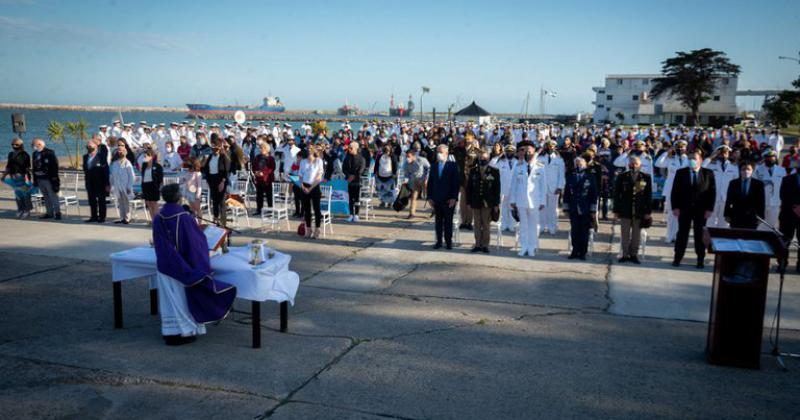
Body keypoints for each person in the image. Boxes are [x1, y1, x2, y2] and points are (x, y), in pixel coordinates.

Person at [152, 183, 236, 346]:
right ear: (178, 197)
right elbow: (196, 243)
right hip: (181, 267)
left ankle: (169, 332)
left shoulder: (159, 217)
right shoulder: (183, 218)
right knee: (181, 302)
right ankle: (183, 333)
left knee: (170, 302)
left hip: (165, 265)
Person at [671, 152, 716, 268]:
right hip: (684, 209)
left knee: (699, 235)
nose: (692, 160)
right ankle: (677, 258)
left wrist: (709, 209)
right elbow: (675, 191)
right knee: (682, 234)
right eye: (690, 158)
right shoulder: (681, 173)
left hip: (701, 211)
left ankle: (700, 260)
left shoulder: (708, 173)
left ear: (700, 160)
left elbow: (712, 193)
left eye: (694, 158)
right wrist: (675, 207)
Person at [509, 141, 547, 257]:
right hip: (521, 200)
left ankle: (532, 247)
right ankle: (524, 246)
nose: (528, 154)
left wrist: (542, 201)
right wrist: (512, 200)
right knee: (523, 225)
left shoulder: (540, 167)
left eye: (530, 152)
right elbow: (513, 184)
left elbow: (543, 186)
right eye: (526, 152)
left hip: (535, 201)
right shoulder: (518, 166)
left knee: (533, 225)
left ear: (534, 152)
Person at [613, 156, 652, 264]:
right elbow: (617, 194)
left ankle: (634, 254)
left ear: (640, 165)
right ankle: (625, 255)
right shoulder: (622, 177)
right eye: (631, 163)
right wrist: (616, 210)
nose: (633, 165)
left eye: (635, 164)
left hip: (639, 211)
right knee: (624, 235)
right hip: (625, 210)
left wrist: (648, 212)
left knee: (636, 236)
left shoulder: (645, 177)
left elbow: (648, 196)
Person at [655, 140, 690, 243]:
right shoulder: (670, 159)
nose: (680, 150)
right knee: (671, 214)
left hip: (684, 190)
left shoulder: (687, 160)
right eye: (678, 148)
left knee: (682, 215)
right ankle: (670, 236)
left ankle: (679, 236)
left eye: (682, 148)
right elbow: (658, 164)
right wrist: (667, 153)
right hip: (671, 189)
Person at [466, 150, 500, 253]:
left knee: (485, 224)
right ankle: (477, 244)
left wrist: (496, 204)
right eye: (480, 158)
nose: (482, 160)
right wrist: (468, 202)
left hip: (487, 203)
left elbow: (497, 189)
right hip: (475, 202)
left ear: (488, 159)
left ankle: (485, 245)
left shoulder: (494, 171)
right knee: (476, 224)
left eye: (484, 159)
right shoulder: (473, 171)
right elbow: (469, 189)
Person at [563, 157, 598, 260]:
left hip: (585, 208)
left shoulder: (590, 177)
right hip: (574, 208)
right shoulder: (570, 176)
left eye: (581, 164)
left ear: (585, 165)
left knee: (584, 232)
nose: (579, 166)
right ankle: (574, 251)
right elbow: (567, 193)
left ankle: (583, 252)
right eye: (577, 164)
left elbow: (594, 195)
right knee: (574, 231)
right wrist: (566, 208)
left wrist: (593, 210)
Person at [427, 144, 461, 250]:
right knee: (438, 222)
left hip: (448, 199)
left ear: (446, 153)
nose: (438, 154)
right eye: (437, 152)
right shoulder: (434, 166)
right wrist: (429, 197)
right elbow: (430, 183)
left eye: (441, 152)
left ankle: (448, 241)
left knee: (448, 222)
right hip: (437, 199)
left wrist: (454, 198)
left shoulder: (453, 166)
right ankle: (439, 241)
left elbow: (456, 183)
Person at [702, 145, 738, 228]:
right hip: (713, 198)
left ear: (729, 154)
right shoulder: (711, 166)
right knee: (710, 220)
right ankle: (709, 240)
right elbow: (702, 168)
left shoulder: (733, 167)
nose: (723, 155)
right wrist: (711, 157)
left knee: (724, 222)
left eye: (726, 153)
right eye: (721, 153)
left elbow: (736, 184)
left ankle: (722, 240)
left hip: (726, 199)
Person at [724, 162, 765, 229]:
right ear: (740, 170)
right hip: (736, 216)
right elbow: (729, 199)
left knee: (749, 237)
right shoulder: (733, 183)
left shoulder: (758, 184)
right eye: (743, 169)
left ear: (752, 171)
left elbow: (761, 202)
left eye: (748, 169)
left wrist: (761, 216)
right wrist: (727, 215)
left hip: (752, 217)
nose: (746, 171)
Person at [537, 140, 565, 235]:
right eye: (548, 146)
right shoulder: (540, 158)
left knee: (553, 209)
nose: (550, 148)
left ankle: (552, 227)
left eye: (552, 147)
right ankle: (541, 226)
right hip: (542, 186)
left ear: (555, 148)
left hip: (554, 187)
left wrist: (560, 186)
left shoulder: (559, 160)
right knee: (542, 207)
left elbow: (561, 174)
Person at [2, 138, 33, 219]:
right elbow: (8, 166)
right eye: (12, 144)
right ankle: (20, 209)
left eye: (16, 144)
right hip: (14, 177)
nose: (14, 146)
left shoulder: (25, 154)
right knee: (18, 195)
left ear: (21, 145)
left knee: (25, 194)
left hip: (23, 177)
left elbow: (27, 167)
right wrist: (4, 176)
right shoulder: (11, 154)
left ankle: (27, 211)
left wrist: (26, 178)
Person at [31, 138, 61, 220]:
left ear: (39, 144)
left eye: (33, 145)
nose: (32, 146)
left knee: (53, 196)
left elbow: (55, 166)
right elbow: (34, 167)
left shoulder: (49, 152)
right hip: (39, 178)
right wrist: (35, 180)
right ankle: (49, 212)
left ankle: (58, 213)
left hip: (49, 178)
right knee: (45, 197)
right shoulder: (34, 154)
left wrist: (55, 179)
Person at [755, 150, 785, 229]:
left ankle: (769, 240)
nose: (771, 159)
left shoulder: (782, 170)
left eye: (773, 157)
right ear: (765, 158)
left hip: (776, 202)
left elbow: (784, 187)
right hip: (762, 201)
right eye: (768, 158)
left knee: (773, 224)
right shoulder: (758, 170)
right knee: (760, 223)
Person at [202, 136, 230, 223]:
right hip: (212, 180)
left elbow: (226, 171)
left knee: (222, 202)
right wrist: (207, 180)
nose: (214, 150)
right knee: (214, 201)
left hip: (221, 180)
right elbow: (205, 169)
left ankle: (223, 223)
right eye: (212, 148)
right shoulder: (210, 157)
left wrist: (223, 181)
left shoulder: (223, 157)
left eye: (216, 148)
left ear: (219, 148)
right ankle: (216, 219)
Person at [82, 138, 110, 223]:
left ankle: (102, 217)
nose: (88, 147)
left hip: (100, 182)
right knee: (92, 200)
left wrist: (107, 184)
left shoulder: (101, 157)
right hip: (90, 182)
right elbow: (86, 170)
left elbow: (105, 170)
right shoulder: (85, 157)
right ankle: (93, 216)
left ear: (96, 145)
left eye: (90, 145)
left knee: (101, 200)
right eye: (87, 146)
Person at [779, 160, 800, 272]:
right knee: (785, 240)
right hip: (788, 214)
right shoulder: (787, 179)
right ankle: (782, 262)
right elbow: (783, 196)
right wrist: (795, 207)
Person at [300, 145, 324, 239]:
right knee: (306, 209)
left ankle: (317, 229)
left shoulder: (318, 161)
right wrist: (302, 186)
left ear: (314, 150)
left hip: (314, 186)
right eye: (307, 148)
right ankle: (308, 229)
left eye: (311, 148)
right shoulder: (303, 161)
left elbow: (319, 177)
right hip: (304, 186)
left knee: (316, 209)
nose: (309, 150)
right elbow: (300, 175)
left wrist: (310, 188)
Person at [110, 144, 136, 224]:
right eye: (119, 151)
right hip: (117, 186)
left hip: (126, 186)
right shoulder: (115, 163)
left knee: (127, 202)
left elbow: (132, 176)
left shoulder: (127, 163)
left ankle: (127, 218)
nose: (120, 152)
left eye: (121, 151)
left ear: (125, 153)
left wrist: (129, 186)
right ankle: (122, 217)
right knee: (120, 202)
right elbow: (112, 175)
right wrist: (112, 185)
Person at [342, 142, 366, 222]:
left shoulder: (361, 158)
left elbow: (361, 170)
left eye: (351, 148)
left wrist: (353, 176)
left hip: (357, 181)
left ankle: (356, 214)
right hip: (349, 181)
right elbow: (343, 168)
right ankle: (351, 214)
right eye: (349, 148)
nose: (349, 149)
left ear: (356, 148)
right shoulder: (347, 157)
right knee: (350, 199)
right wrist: (348, 175)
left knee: (356, 199)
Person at [403, 148, 430, 219]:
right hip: (414, 181)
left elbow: (429, 168)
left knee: (429, 197)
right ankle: (411, 213)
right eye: (406, 156)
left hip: (424, 180)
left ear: (413, 156)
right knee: (413, 197)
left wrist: (427, 178)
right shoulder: (406, 164)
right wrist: (406, 180)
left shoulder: (421, 160)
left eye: (409, 156)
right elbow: (406, 174)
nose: (407, 158)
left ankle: (435, 210)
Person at [496, 144, 517, 231]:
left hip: (514, 189)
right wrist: (499, 156)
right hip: (503, 188)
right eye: (507, 152)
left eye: (511, 152)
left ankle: (512, 224)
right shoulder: (501, 162)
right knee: (504, 207)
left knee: (513, 207)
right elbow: (494, 170)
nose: (509, 154)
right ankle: (504, 224)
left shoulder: (518, 161)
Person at [251, 143, 276, 216]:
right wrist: (256, 172)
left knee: (269, 196)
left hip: (267, 180)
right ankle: (259, 210)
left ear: (266, 149)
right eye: (260, 148)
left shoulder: (271, 158)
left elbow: (272, 168)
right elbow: (254, 166)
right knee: (259, 196)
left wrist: (264, 173)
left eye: (262, 148)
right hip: (259, 179)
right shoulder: (257, 157)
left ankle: (270, 211)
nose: (260, 149)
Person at [140, 150, 164, 221]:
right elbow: (143, 176)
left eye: (146, 156)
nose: (144, 157)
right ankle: (153, 220)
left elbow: (160, 178)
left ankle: (157, 221)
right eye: (144, 156)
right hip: (146, 186)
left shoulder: (157, 166)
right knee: (149, 203)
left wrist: (158, 186)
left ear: (151, 156)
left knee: (154, 203)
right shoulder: (144, 165)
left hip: (153, 186)